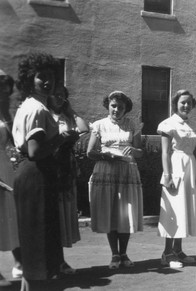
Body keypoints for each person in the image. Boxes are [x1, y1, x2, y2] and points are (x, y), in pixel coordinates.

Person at [12, 52, 79, 285]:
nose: (47, 82)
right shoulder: (37, 110)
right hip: (36, 174)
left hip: (34, 174)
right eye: (42, 77)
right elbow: (35, 151)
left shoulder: (30, 105)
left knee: (34, 244)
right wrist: (61, 138)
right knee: (37, 244)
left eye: (51, 77)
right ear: (30, 79)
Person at [87, 91, 144, 269]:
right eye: (113, 105)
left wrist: (133, 151)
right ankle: (114, 254)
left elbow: (140, 152)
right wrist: (106, 156)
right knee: (111, 212)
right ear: (108, 106)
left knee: (125, 213)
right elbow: (90, 152)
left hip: (127, 171)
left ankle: (125, 253)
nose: (116, 109)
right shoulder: (99, 125)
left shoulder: (132, 124)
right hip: (106, 171)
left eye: (120, 107)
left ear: (126, 108)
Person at [157, 90, 196, 268]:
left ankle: (178, 250)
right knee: (174, 209)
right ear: (176, 104)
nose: (186, 106)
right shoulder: (168, 124)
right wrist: (167, 175)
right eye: (183, 102)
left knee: (184, 208)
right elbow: (165, 152)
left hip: (190, 167)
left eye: (189, 103)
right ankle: (167, 253)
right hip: (175, 167)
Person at [47, 84, 89, 274]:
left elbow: (84, 128)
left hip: (66, 166)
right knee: (51, 214)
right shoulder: (43, 114)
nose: (58, 98)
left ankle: (60, 260)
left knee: (63, 214)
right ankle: (49, 260)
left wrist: (70, 110)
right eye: (55, 95)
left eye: (62, 96)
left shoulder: (66, 117)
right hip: (50, 166)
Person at [0, 69, 20, 287]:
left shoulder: (5, 115)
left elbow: (16, 144)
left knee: (8, 215)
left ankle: (18, 262)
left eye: (6, 93)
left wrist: (6, 115)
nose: (3, 96)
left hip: (4, 167)